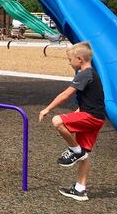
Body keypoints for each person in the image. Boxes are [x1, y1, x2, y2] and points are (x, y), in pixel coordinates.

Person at [39, 41, 106, 201]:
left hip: (91, 117)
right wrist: (77, 113)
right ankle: (80, 190)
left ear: (80, 59)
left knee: (57, 120)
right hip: (96, 117)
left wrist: (47, 109)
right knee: (84, 156)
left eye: (70, 59)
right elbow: (92, 100)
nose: (69, 63)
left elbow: (65, 94)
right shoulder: (93, 75)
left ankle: (75, 151)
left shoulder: (84, 74)